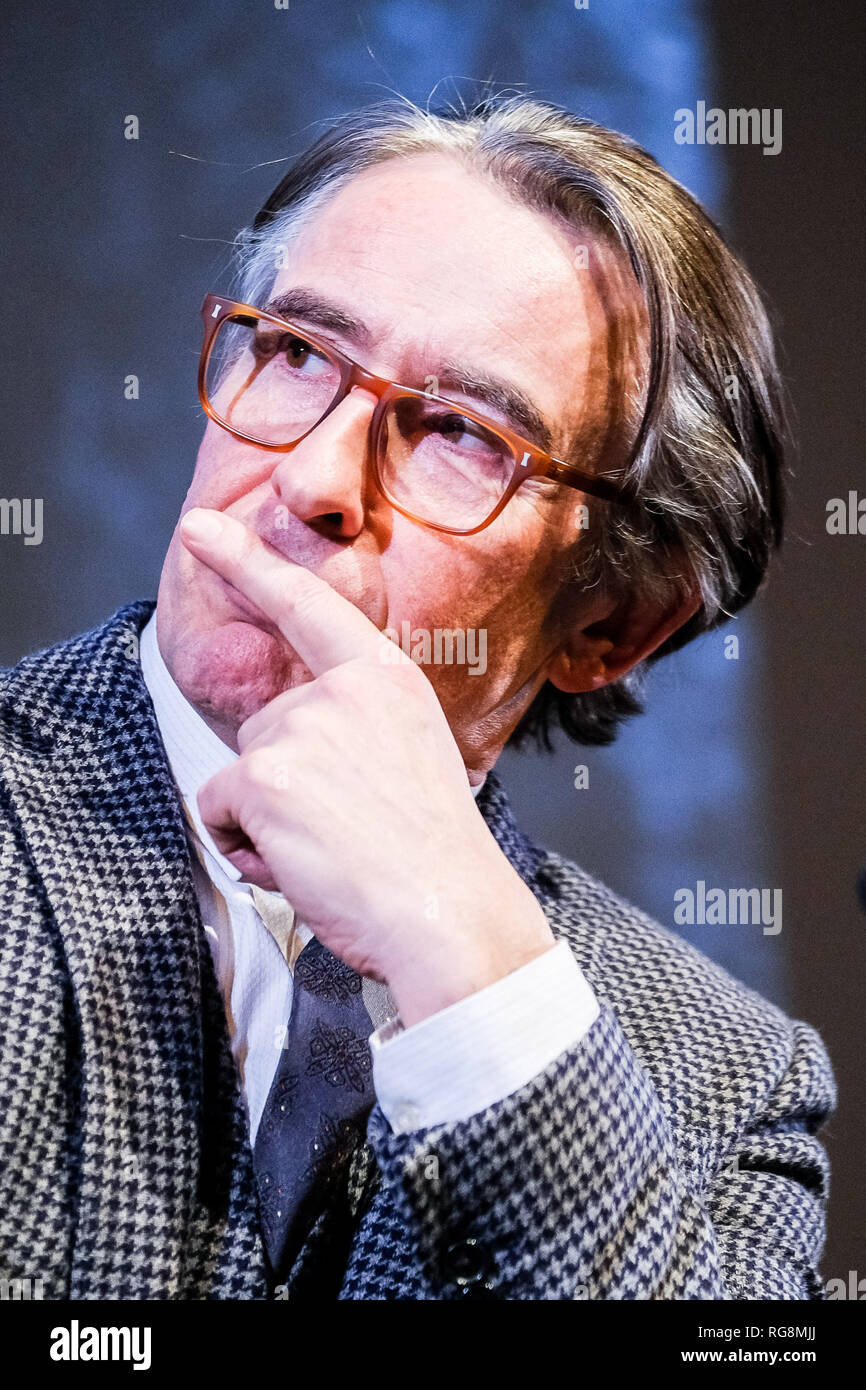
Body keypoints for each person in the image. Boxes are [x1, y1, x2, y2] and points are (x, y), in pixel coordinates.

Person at [0, 93, 834, 1300]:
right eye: (292, 352)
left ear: (611, 623)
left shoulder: (727, 1078)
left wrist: (473, 977)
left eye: (458, 430)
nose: (313, 478)